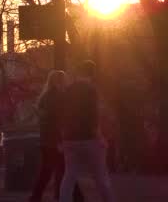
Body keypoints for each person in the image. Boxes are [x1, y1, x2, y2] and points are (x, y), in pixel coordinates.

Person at [59, 61, 116, 202]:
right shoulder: (91, 90)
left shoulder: (68, 90)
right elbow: (93, 114)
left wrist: (62, 136)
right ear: (92, 73)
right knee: (100, 176)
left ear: (78, 72)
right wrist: (100, 136)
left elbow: (61, 113)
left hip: (70, 138)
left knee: (69, 176)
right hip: (89, 138)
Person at [29, 70, 84, 202]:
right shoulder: (57, 97)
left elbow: (46, 120)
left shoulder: (46, 97)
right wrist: (60, 140)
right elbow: (57, 120)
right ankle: (76, 198)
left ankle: (37, 198)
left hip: (46, 141)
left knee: (50, 171)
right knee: (64, 170)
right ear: (59, 82)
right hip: (55, 141)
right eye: (64, 80)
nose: (66, 83)